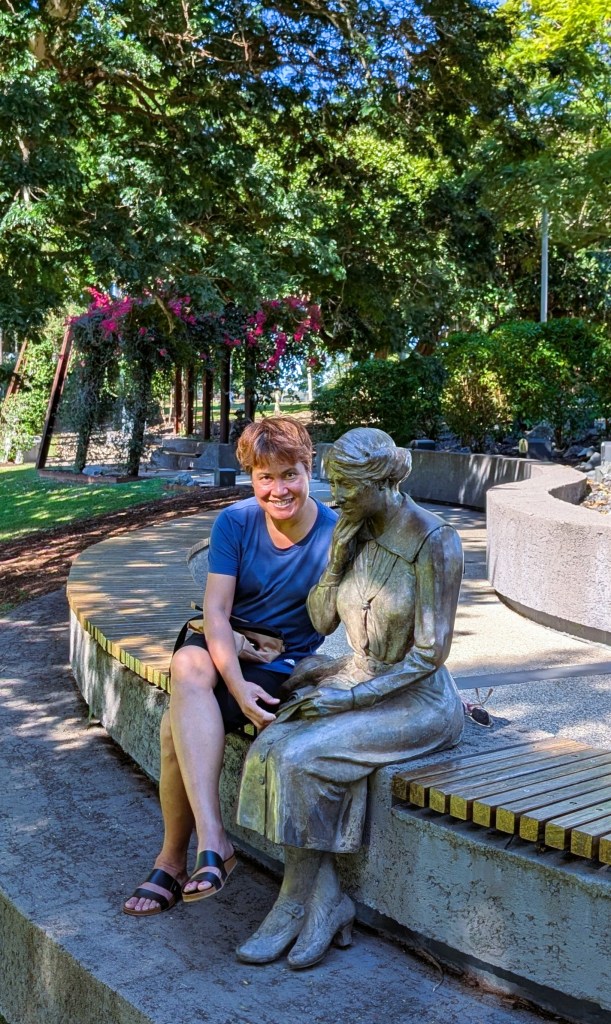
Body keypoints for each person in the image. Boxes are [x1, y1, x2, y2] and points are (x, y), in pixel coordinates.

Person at [235, 427, 465, 968]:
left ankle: (293, 902)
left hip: (418, 700)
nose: (330, 496)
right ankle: (326, 898)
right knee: (271, 746)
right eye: (330, 482)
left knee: (303, 756)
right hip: (357, 679)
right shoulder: (353, 530)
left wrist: (352, 697)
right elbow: (319, 619)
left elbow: (428, 656)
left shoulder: (435, 542)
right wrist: (336, 558)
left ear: (380, 482)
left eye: (343, 486)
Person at [123, 416, 337, 916]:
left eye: (290, 474)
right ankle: (213, 840)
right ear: (251, 478)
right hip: (224, 646)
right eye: (266, 477)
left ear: (310, 469)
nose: (278, 489)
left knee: (175, 732)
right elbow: (215, 613)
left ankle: (173, 859)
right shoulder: (236, 522)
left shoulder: (334, 535)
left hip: (280, 660)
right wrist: (238, 687)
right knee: (190, 661)